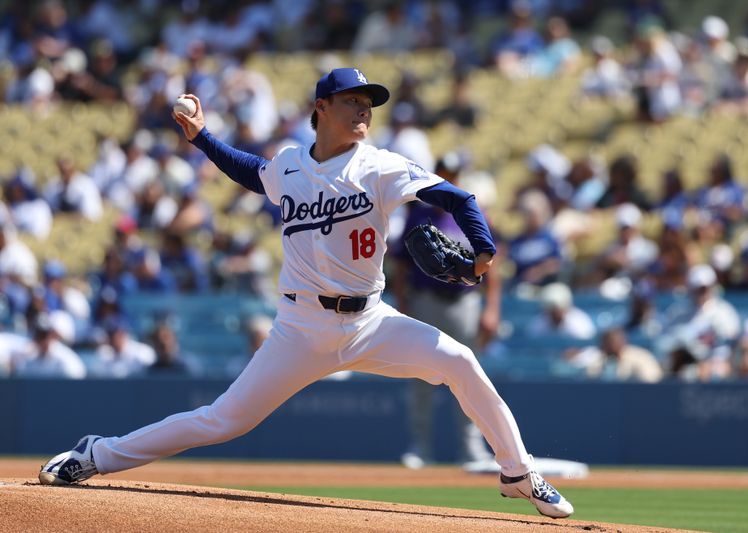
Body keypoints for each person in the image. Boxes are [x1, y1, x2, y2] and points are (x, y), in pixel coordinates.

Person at [38, 67, 573, 519]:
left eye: (369, 103)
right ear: (322, 107)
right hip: (298, 329)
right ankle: (97, 455)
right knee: (222, 421)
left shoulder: (378, 165)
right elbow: (254, 173)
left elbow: (459, 198)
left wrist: (482, 248)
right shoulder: (292, 164)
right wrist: (201, 136)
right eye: (352, 102)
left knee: (459, 360)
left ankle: (518, 473)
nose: (364, 111)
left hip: (370, 323)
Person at [391, 153, 500, 472]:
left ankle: (471, 448)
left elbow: (494, 265)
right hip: (425, 299)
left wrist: (491, 308)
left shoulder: (470, 211)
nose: (448, 176)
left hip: (465, 301)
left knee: (468, 375)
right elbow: (400, 265)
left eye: (453, 172)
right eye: (444, 172)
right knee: (420, 374)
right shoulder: (417, 215)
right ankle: (420, 447)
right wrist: (403, 304)